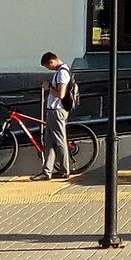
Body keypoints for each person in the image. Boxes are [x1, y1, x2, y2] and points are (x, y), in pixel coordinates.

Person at [36, 51, 75, 180]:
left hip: (57, 111)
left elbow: (61, 94)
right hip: (54, 111)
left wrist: (48, 87)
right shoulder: (62, 71)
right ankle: (47, 171)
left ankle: (64, 170)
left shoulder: (62, 73)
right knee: (50, 142)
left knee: (59, 141)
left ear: (51, 62)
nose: (49, 69)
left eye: (48, 66)